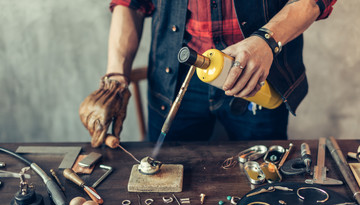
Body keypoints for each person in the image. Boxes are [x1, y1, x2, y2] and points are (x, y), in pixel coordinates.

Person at [79, 0, 337, 147]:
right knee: (164, 174)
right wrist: (115, 78)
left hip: (258, 73)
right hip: (177, 78)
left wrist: (267, 41)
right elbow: (130, 2)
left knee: (264, 182)